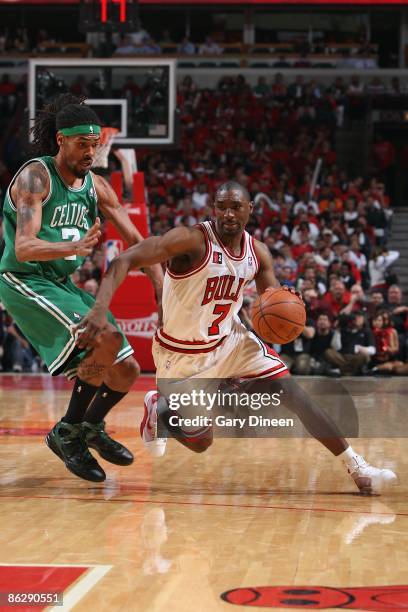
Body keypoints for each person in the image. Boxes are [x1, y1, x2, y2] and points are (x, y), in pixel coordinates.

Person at [78, 182, 396, 495]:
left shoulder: (257, 252)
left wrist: (290, 302)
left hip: (232, 341)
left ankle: (357, 467)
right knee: (202, 443)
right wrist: (98, 308)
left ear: (250, 210)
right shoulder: (190, 241)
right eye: (222, 207)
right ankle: (159, 411)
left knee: (294, 392)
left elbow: (271, 300)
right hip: (182, 354)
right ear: (214, 208)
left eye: (236, 207)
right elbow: (124, 260)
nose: (228, 214)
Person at [0, 94, 163, 483]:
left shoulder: (98, 187)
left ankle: (87, 427)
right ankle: (68, 432)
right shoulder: (35, 178)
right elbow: (23, 248)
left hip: (60, 282)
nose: (91, 152)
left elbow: (137, 242)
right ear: (61, 140)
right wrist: (72, 247)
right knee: (102, 340)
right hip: (24, 280)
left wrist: (160, 282)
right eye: (82, 144)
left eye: (95, 144)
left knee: (125, 368)